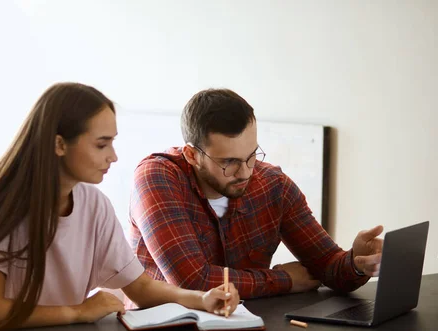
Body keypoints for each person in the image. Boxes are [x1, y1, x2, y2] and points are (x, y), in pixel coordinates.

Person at [0, 83, 240, 331]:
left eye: (113, 142)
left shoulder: (94, 205)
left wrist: (200, 299)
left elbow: (140, 287)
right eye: (101, 144)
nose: (113, 156)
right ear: (59, 144)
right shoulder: (1, 206)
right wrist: (78, 311)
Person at [129, 88, 383, 299]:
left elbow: (328, 266)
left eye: (251, 156)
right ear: (192, 155)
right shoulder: (157, 177)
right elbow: (193, 281)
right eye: (229, 162)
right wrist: (283, 280)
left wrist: (356, 263)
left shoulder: (273, 186)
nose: (246, 172)